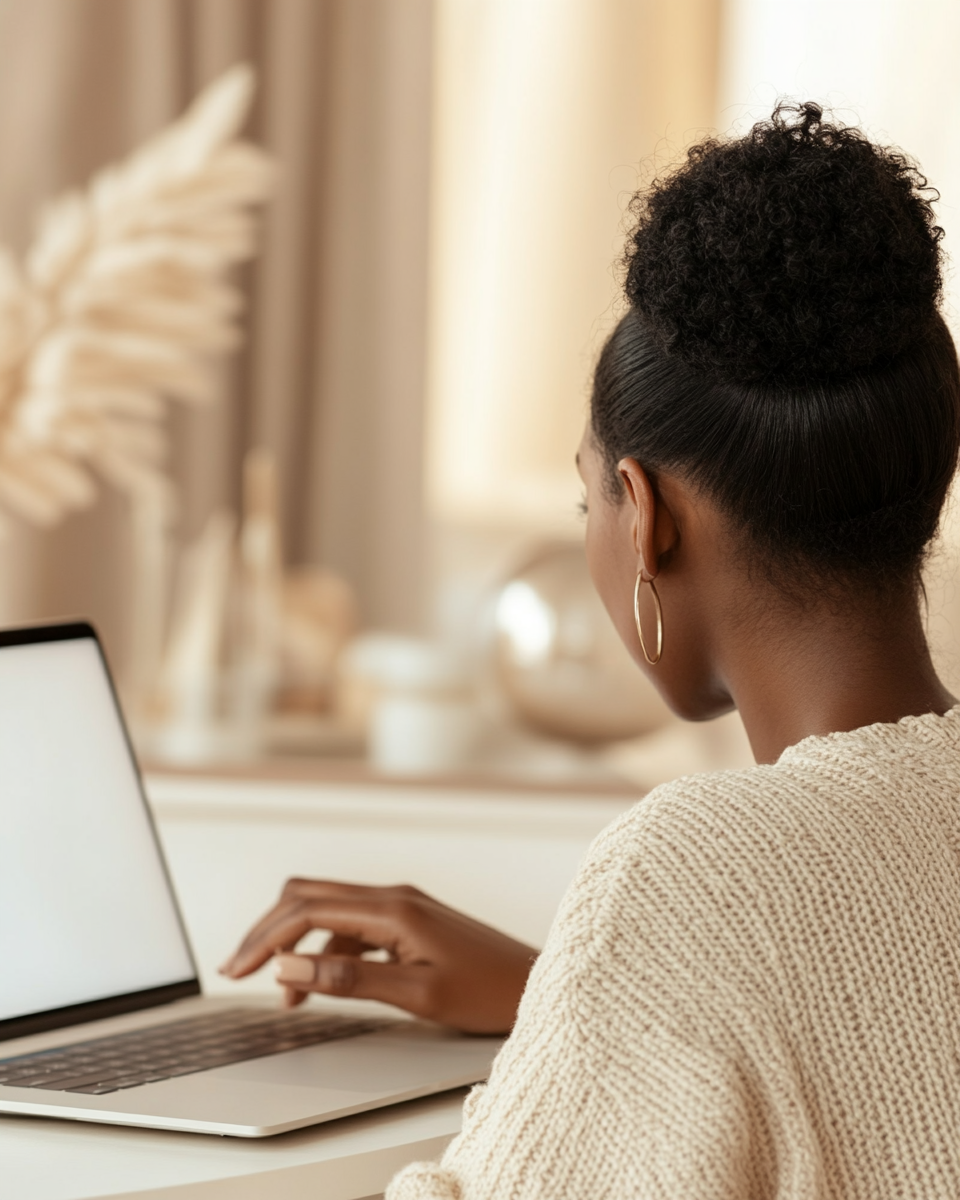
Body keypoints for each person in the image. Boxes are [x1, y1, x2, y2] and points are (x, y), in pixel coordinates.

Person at [220, 104, 960, 1196]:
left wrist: (621, 966)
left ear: (644, 512)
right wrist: (574, 993)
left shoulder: (693, 875)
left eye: (584, 500)